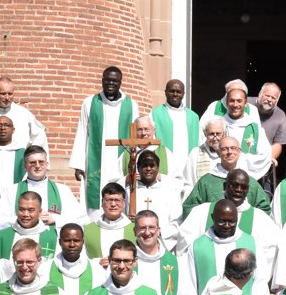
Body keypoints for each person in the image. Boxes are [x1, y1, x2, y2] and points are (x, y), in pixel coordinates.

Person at [179, 170, 281, 283]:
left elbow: (268, 257)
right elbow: (185, 248)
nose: (238, 190)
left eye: (243, 187)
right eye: (234, 185)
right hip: (203, 287)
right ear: (224, 186)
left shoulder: (261, 219)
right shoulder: (201, 212)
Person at [70, 66, 138, 210]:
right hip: (96, 162)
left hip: (121, 161)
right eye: (107, 80)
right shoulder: (89, 103)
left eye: (114, 81)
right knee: (94, 205)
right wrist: (78, 165)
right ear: (102, 81)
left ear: (120, 82)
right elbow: (82, 131)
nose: (110, 83)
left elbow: (135, 136)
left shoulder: (131, 105)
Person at [181, 200, 265, 295]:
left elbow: (260, 283)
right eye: (222, 221)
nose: (226, 225)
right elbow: (189, 288)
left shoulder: (252, 244)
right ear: (213, 217)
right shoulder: (198, 247)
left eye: (231, 221)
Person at [0, 145, 81, 233]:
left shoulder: (63, 190)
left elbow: (80, 219)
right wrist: (25, 219)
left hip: (51, 242)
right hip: (22, 242)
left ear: (47, 165)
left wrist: (55, 218)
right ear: (25, 166)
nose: (37, 166)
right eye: (32, 162)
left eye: (41, 162)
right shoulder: (12, 191)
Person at [181, 135, 272, 217]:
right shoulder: (206, 181)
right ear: (218, 153)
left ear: (239, 152)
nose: (229, 152)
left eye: (233, 148)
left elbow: (264, 209)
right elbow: (189, 207)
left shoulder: (249, 181)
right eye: (225, 149)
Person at [0, 191, 59, 278]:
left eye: (31, 210)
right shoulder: (2, 237)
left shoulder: (52, 239)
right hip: (7, 289)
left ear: (40, 212)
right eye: (22, 209)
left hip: (42, 290)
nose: (25, 214)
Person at [210, 85, 273, 181]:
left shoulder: (255, 129)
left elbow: (265, 155)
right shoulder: (218, 126)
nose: (235, 105)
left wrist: (240, 159)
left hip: (246, 180)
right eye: (232, 100)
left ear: (246, 104)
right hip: (220, 177)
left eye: (239, 101)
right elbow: (209, 152)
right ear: (226, 103)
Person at [0, 76, 48, 150]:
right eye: (3, 94)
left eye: (10, 94)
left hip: (18, 162)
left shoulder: (24, 115)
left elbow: (39, 137)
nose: (7, 97)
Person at [126, 150, 184, 251]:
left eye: (152, 165)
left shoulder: (170, 192)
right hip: (133, 246)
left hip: (162, 244)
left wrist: (157, 233)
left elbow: (176, 222)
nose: (148, 169)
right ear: (138, 168)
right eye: (145, 165)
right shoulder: (128, 192)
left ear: (158, 168)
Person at [151, 79, 201, 181]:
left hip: (188, 167)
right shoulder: (155, 114)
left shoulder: (193, 117)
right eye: (171, 91)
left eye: (178, 92)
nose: (175, 94)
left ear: (183, 94)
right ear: (165, 92)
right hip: (165, 168)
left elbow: (200, 142)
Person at [48, 224, 106, 295]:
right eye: (67, 240)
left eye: (76, 240)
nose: (72, 244)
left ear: (83, 242)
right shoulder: (45, 269)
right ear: (60, 242)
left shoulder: (97, 271)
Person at [79, 182, 134, 260]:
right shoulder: (87, 229)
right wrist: (98, 263)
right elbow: (81, 257)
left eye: (117, 200)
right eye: (109, 200)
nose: (113, 204)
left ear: (124, 203)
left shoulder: (134, 230)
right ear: (102, 202)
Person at [251, 82, 286, 195]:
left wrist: (268, 158)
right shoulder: (245, 104)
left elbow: (277, 143)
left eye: (273, 98)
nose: (269, 99)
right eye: (267, 95)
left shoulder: (280, 115)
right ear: (260, 94)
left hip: (263, 164)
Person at [183, 118, 226, 189]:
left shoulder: (230, 153)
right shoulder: (195, 153)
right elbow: (188, 181)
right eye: (211, 134)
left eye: (218, 134)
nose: (215, 138)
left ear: (224, 134)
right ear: (205, 134)